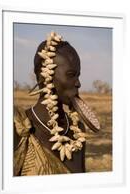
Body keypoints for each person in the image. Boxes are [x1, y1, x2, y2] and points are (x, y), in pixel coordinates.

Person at [13, 32, 87, 176]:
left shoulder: (77, 129)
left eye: (78, 75)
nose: (78, 83)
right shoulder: (19, 128)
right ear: (44, 77)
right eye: (71, 75)